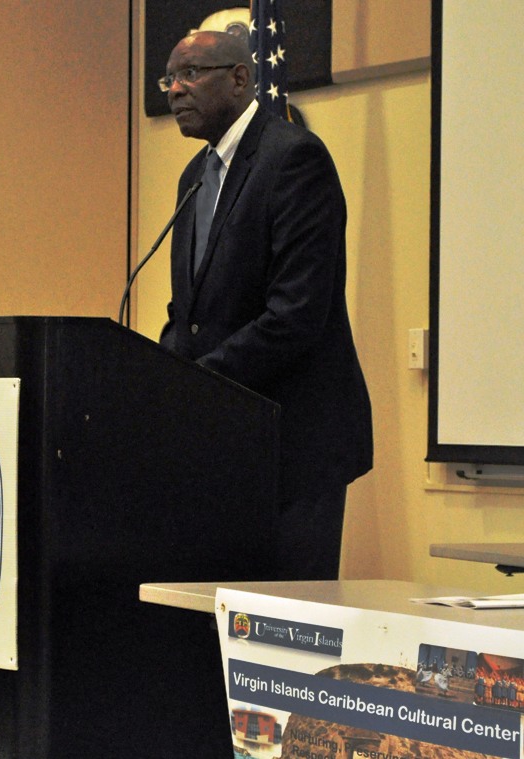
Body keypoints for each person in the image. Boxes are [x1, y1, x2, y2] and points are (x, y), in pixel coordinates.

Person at [159, 30, 373, 580]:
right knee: (220, 624)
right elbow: (189, 313)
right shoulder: (193, 178)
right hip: (227, 447)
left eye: (191, 74)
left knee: (289, 632)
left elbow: (296, 314)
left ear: (239, 77)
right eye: (168, 79)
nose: (176, 90)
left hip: (295, 444)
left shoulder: (294, 158)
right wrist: (155, 379)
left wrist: (198, 381)